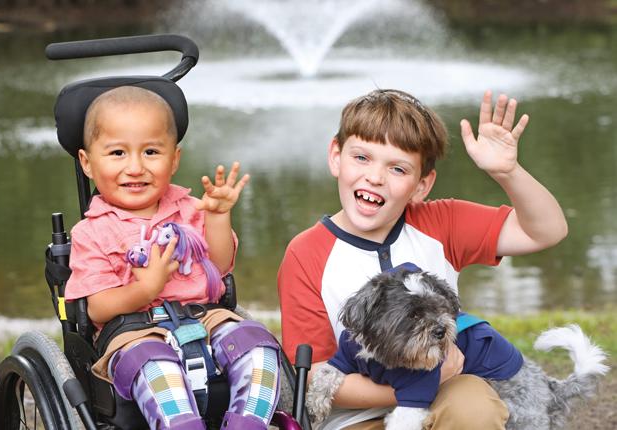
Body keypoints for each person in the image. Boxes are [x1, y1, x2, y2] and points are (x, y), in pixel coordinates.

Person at [277, 89, 568, 429]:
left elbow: (548, 231)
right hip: (357, 417)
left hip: (444, 395)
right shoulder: (305, 253)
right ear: (336, 157)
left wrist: (507, 172)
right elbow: (313, 374)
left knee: (474, 407)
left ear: (421, 185)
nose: (375, 177)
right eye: (362, 158)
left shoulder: (441, 222)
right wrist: (409, 389)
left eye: (398, 169)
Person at [65, 85, 280, 430]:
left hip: (204, 319)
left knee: (260, 348)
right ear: (88, 163)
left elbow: (220, 266)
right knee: (157, 366)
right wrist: (144, 290)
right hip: (134, 334)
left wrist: (218, 216)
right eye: (118, 153)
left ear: (174, 159)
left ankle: (245, 424)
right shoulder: (91, 233)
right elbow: (97, 308)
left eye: (151, 151)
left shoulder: (191, 209)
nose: (135, 167)